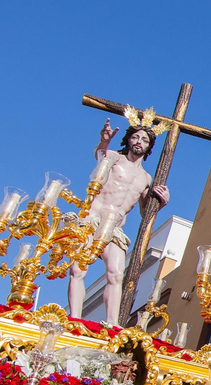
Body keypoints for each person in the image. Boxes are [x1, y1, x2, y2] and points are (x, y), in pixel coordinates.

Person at [67, 119, 170, 326]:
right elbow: (100, 154)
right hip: (92, 218)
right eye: (135, 137)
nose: (139, 142)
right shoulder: (114, 158)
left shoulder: (146, 178)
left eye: (144, 139)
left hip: (115, 227)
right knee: (78, 269)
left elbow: (144, 212)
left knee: (116, 275)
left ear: (149, 146)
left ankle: (112, 324)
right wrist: (104, 141)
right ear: (128, 140)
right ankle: (75, 319)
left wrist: (161, 203)